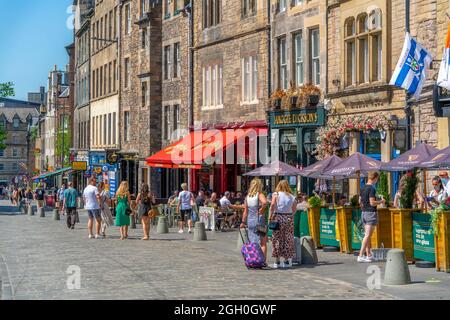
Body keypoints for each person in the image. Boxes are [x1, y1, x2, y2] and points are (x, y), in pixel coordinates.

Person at [358, 171, 385, 263]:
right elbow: (372, 202)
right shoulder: (372, 189)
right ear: (375, 178)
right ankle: (360, 255)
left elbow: (360, 202)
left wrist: (364, 208)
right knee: (367, 235)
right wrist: (381, 201)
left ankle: (368, 254)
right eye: (377, 179)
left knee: (367, 235)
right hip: (370, 213)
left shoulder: (362, 188)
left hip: (364, 213)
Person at [268, 180, 297, 269]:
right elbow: (294, 209)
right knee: (288, 238)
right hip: (288, 218)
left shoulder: (276, 195)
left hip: (278, 218)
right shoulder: (292, 197)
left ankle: (277, 261)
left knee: (277, 238)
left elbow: (272, 205)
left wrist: (270, 216)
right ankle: (286, 260)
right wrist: (290, 216)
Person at [240, 178, 268, 261]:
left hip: (250, 221)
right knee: (263, 243)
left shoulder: (247, 197)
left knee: (252, 242)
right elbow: (265, 202)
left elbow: (245, 211)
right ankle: (262, 261)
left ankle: (254, 259)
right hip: (260, 221)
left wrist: (243, 222)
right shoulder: (259, 194)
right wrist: (262, 209)